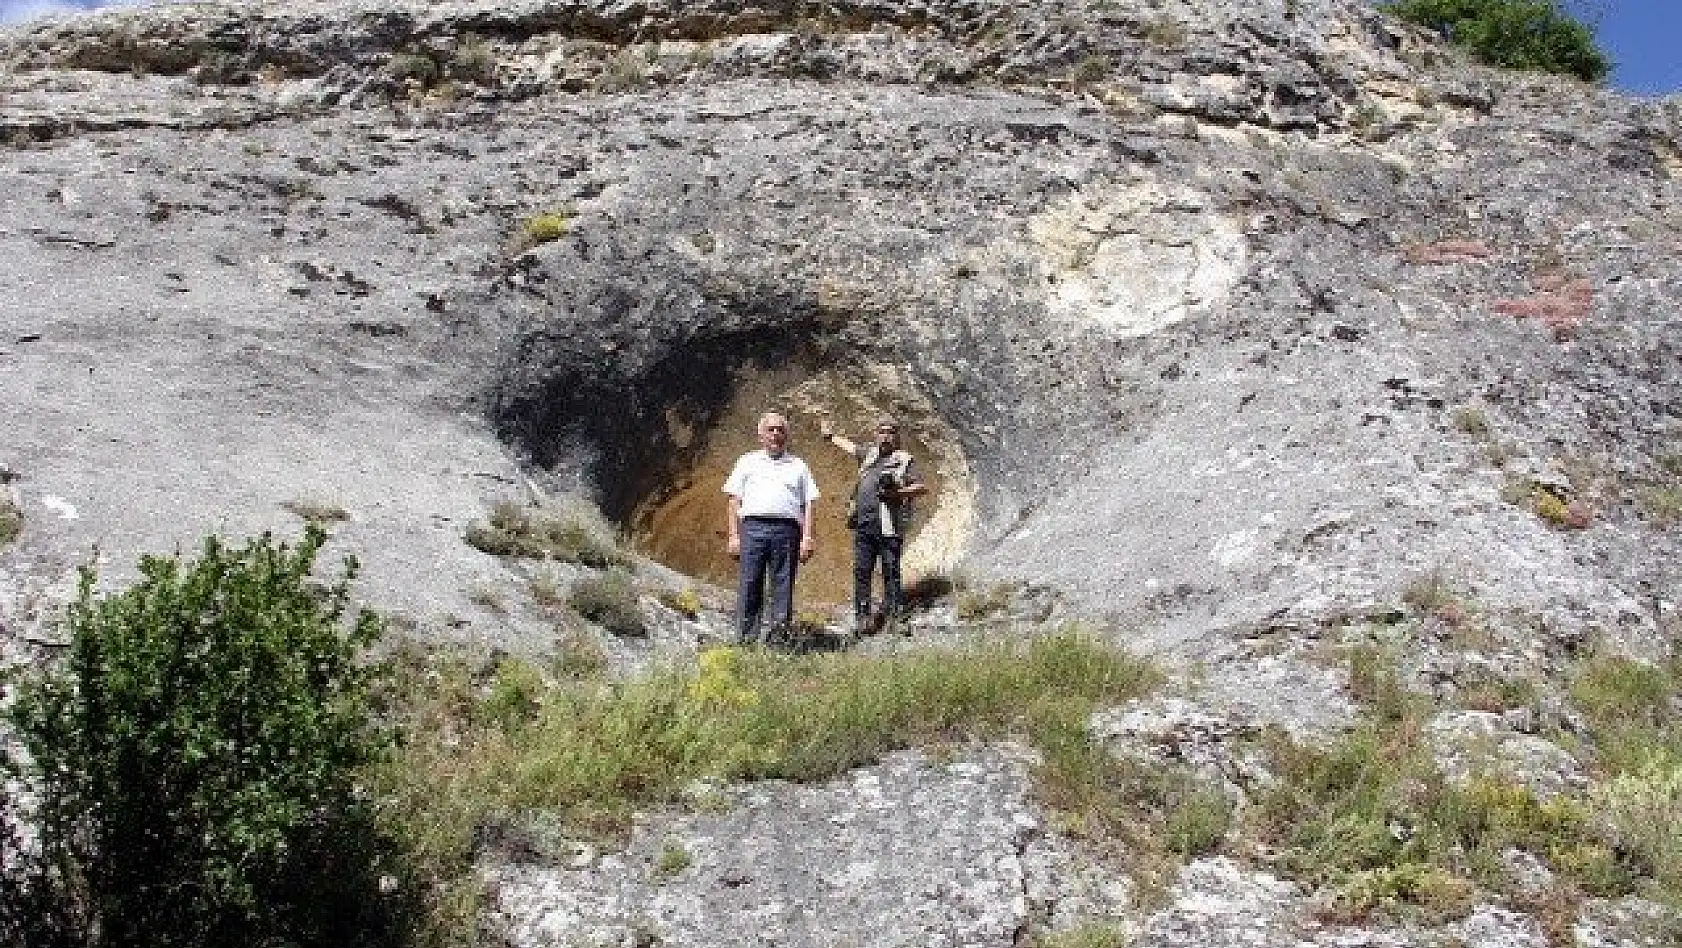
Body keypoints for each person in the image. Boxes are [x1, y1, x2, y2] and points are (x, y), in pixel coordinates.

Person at [819, 415, 927, 635]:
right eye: (882, 432)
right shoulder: (869, 454)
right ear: (876, 435)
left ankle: (895, 618)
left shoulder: (904, 459)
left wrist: (896, 493)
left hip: (889, 526)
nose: (885, 436)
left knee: (890, 571)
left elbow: (921, 487)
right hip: (864, 525)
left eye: (890, 432)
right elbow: (850, 447)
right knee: (862, 571)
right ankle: (862, 618)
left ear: (897, 437)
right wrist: (830, 437)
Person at [723, 411, 819, 646]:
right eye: (771, 430)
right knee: (749, 583)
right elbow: (734, 500)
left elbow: (808, 503)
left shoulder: (798, 465)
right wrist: (734, 536)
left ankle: (778, 641)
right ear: (761, 435)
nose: (776, 434)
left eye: (781, 430)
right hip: (753, 528)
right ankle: (745, 640)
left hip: (787, 531)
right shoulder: (747, 461)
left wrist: (807, 538)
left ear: (787, 435)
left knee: (783, 586)